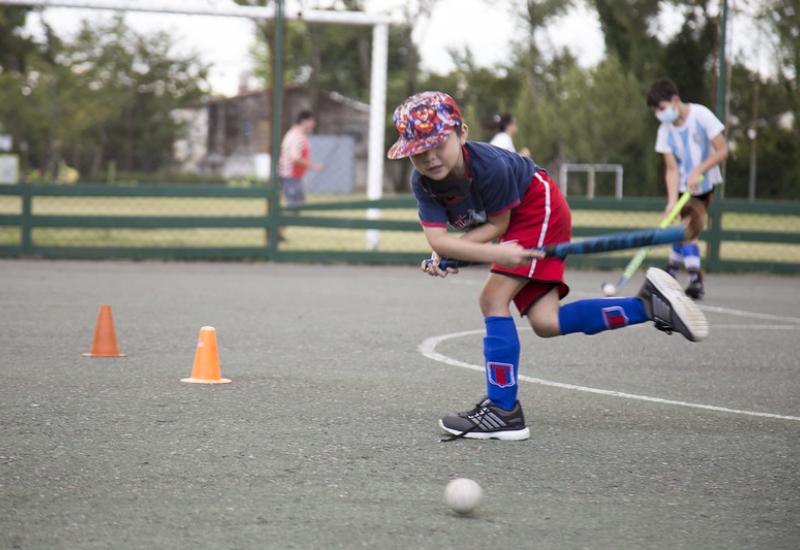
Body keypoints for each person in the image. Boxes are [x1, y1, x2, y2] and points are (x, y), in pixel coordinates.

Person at [387, 91, 708, 441]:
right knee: (545, 321)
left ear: (461, 133)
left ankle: (503, 410)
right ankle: (647, 306)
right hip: (514, 225)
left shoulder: (489, 166)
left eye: (438, 144)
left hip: (537, 206)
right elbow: (439, 240)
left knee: (492, 299)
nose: (430, 157)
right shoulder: (423, 182)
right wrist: (449, 253)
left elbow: (497, 225)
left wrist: (486, 253)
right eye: (419, 151)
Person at [646, 79, 728, 299]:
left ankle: (695, 281)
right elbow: (672, 170)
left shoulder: (701, 115)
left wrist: (698, 170)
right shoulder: (664, 131)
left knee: (689, 231)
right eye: (656, 110)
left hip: (703, 186)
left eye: (661, 108)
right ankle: (671, 274)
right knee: (683, 231)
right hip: (682, 188)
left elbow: (722, 150)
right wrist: (671, 202)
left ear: (674, 100)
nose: (659, 114)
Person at [278, 110, 323, 237]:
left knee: (296, 205)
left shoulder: (296, 134)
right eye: (312, 121)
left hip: (293, 176)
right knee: (294, 206)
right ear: (304, 121)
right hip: (290, 175)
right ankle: (277, 231)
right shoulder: (296, 136)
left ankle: (279, 232)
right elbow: (295, 158)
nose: (313, 124)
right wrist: (313, 166)